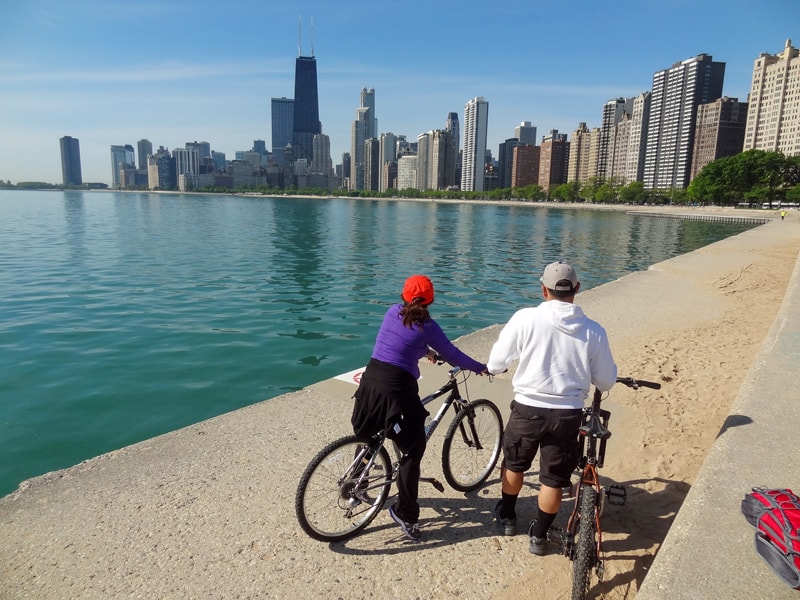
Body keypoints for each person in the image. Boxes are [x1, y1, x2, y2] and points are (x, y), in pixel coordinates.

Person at [487, 261, 617, 555]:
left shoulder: (524, 319)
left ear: (542, 289)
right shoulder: (594, 331)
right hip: (567, 414)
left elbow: (496, 364)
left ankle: (508, 517)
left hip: (527, 408)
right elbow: (606, 380)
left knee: (514, 463)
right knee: (553, 479)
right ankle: (539, 536)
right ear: (577, 290)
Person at [351, 274, 487, 541]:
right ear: (431, 300)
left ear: (404, 295)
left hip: (370, 383)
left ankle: (358, 480)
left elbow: (402, 340)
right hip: (396, 392)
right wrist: (481, 368)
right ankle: (406, 513)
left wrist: (425, 353)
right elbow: (453, 354)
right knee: (413, 448)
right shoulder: (428, 326)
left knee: (371, 434)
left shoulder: (392, 312)